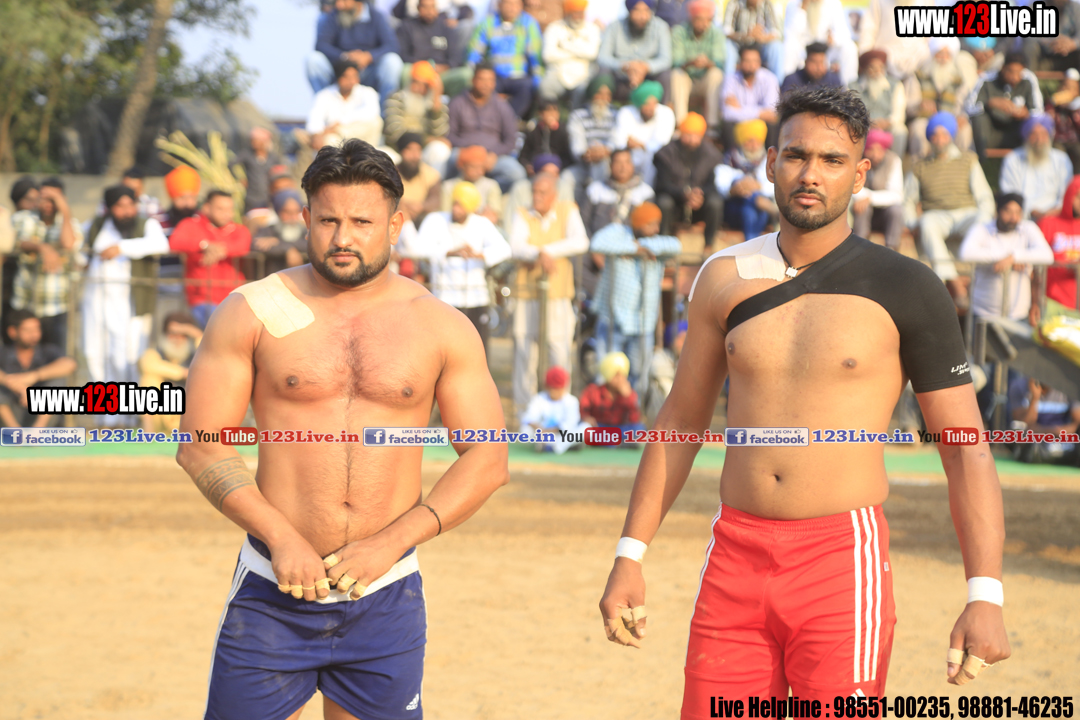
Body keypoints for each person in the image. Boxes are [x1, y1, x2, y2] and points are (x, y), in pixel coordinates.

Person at [599, 86, 1010, 703]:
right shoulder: (722, 276)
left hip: (841, 563)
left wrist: (986, 593)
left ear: (860, 174)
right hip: (733, 554)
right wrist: (630, 553)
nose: (810, 174)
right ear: (770, 162)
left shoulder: (907, 285)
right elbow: (680, 421)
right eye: (795, 155)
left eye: (832, 160)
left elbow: (964, 446)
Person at [176, 138, 509, 720]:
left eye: (361, 222)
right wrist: (281, 538)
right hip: (272, 592)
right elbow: (201, 445)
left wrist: (390, 543)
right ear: (306, 219)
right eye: (328, 220)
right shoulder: (252, 309)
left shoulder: (441, 326)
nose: (342, 238)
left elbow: (488, 459)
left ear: (395, 225)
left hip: (385, 593)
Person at [509, 172, 589, 410]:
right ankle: (525, 413)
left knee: (559, 352)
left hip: (558, 294)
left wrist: (545, 252)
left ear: (554, 195)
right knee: (525, 353)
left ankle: (562, 409)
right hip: (526, 294)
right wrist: (538, 253)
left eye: (542, 193)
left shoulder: (567, 210)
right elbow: (515, 246)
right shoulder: (523, 213)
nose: (537, 197)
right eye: (534, 192)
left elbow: (580, 241)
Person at [81, 186, 170, 385]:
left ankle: (127, 403)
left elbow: (162, 245)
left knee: (126, 354)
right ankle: (103, 404)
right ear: (109, 208)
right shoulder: (97, 225)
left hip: (129, 300)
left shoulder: (146, 224)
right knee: (94, 351)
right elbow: (79, 250)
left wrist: (121, 248)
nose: (127, 211)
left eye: (131, 205)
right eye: (120, 206)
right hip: (96, 299)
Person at [904, 111, 995, 305]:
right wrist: (912, 223)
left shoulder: (968, 159)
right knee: (926, 223)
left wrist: (986, 217)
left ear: (951, 136)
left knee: (984, 220)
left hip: (966, 214)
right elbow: (908, 200)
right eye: (935, 135)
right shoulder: (920, 166)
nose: (939, 140)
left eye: (943, 135)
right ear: (930, 138)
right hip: (937, 215)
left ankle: (979, 281)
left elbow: (984, 196)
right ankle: (954, 283)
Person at [590, 201, 681, 393]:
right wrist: (632, 249)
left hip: (643, 322)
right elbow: (597, 243)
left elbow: (676, 245)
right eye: (650, 224)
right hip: (613, 319)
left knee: (639, 378)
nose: (656, 229)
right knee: (607, 375)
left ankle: (634, 411)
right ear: (638, 223)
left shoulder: (656, 242)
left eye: (657, 224)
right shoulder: (618, 232)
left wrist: (640, 247)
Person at [414, 181, 512, 352]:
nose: (456, 209)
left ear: (472, 208)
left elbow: (505, 249)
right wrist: (450, 252)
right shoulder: (435, 220)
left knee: (476, 350)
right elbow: (418, 248)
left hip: (475, 297)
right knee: (445, 350)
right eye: (455, 204)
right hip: (444, 297)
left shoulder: (481, 223)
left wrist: (479, 255)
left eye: (461, 206)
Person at [9, 177, 81, 351]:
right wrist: (42, 247)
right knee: (23, 355)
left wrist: (65, 210)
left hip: (56, 304)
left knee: (56, 354)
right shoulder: (23, 218)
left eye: (53, 199)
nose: (48, 204)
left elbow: (68, 244)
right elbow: (16, 242)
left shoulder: (70, 223)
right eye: (44, 198)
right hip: (25, 302)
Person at [958, 193, 1054, 322]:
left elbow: (1047, 255)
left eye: (1018, 212)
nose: (1013, 217)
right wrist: (1006, 258)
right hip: (983, 313)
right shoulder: (982, 229)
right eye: (1008, 211)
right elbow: (966, 253)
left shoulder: (1028, 228)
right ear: (998, 211)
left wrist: (1014, 257)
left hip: (1018, 314)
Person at [169, 190, 253, 328]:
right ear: (206, 207)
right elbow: (175, 242)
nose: (226, 213)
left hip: (234, 297)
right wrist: (203, 245)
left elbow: (243, 246)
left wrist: (218, 249)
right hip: (202, 298)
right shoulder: (191, 224)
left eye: (229, 209)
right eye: (220, 209)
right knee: (220, 329)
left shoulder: (239, 230)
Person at [447, 62, 528, 192]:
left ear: (494, 83)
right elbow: (450, 135)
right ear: (473, 80)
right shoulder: (458, 103)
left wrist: (494, 154)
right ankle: (453, 192)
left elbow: (510, 140)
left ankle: (487, 192)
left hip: (492, 156)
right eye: (482, 79)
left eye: (490, 80)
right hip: (465, 153)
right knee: (450, 159)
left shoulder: (502, 106)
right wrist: (470, 150)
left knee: (517, 174)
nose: (486, 84)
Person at [309, 0, 404, 108]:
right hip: (340, 70)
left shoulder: (377, 16)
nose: (339, 5)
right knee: (314, 60)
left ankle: (386, 112)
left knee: (392, 61)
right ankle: (324, 110)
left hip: (368, 70)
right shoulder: (331, 16)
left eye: (344, 1)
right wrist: (344, 56)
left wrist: (369, 56)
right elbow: (321, 45)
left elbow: (392, 45)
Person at [653, 113, 724, 248]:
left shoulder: (711, 154)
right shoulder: (666, 153)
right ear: (680, 134)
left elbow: (712, 185)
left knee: (715, 202)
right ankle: (663, 245)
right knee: (664, 202)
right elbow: (662, 184)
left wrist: (698, 194)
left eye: (696, 136)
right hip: (676, 202)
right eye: (688, 135)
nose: (692, 140)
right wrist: (683, 194)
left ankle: (709, 245)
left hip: (699, 203)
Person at [466, 0, 544, 118]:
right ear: (499, 5)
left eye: (516, 4)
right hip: (494, 76)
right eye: (508, 4)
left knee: (527, 89)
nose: (512, 8)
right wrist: (473, 74)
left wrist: (538, 78)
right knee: (483, 88)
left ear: (521, 6)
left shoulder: (528, 23)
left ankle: (510, 121)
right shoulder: (488, 23)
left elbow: (535, 55)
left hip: (519, 76)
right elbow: (474, 52)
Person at [0, 310, 76, 429]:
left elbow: (70, 364)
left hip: (42, 416)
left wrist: (33, 376)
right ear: (12, 332)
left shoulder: (48, 351)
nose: (34, 335)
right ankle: (14, 431)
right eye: (27, 330)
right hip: (10, 415)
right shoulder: (4, 353)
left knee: (58, 381)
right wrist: (13, 384)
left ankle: (38, 430)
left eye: (36, 329)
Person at [910, 37, 977, 158]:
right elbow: (909, 105)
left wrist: (961, 116)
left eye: (947, 54)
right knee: (918, 128)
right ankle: (920, 166)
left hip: (951, 119)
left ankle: (962, 166)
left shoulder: (958, 79)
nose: (943, 58)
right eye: (939, 54)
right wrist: (919, 105)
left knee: (965, 130)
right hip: (926, 119)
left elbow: (963, 104)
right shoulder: (919, 75)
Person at [384, 61, 454, 178]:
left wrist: (436, 108)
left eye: (424, 85)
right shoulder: (396, 98)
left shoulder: (435, 104)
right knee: (384, 155)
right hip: (397, 150)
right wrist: (427, 139)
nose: (418, 88)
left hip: (422, 153)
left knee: (440, 149)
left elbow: (440, 134)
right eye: (415, 82)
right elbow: (394, 132)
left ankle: (433, 186)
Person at [999, 115, 1074, 222]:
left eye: (1043, 134)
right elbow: (1010, 195)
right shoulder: (1012, 159)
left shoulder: (1061, 160)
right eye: (1034, 134)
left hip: (1056, 218)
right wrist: (1031, 211)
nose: (1039, 140)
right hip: (1021, 218)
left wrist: (1052, 213)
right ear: (1026, 136)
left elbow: (1067, 194)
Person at [137, 311, 202, 434]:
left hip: (184, 416)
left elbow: (211, 354)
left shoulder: (196, 355)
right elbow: (147, 365)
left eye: (183, 335)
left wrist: (195, 333)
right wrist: (183, 373)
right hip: (161, 413)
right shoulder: (156, 353)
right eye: (173, 334)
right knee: (149, 379)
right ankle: (148, 430)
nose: (177, 339)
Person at [598, 0, 673, 104]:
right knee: (603, 72)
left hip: (648, 79)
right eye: (637, 11)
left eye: (646, 11)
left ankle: (662, 110)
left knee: (665, 74)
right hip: (622, 78)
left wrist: (645, 67)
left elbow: (666, 59)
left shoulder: (660, 27)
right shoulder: (614, 27)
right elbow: (603, 57)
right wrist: (625, 66)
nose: (642, 16)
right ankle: (603, 111)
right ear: (629, 11)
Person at [714, 118, 777, 241]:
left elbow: (774, 186)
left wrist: (758, 186)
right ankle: (763, 204)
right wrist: (735, 189)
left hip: (755, 209)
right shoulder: (730, 159)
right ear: (742, 142)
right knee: (748, 194)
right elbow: (721, 185)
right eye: (749, 141)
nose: (754, 146)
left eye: (757, 142)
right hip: (734, 208)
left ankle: (750, 241)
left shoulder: (767, 160)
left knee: (749, 209)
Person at [397, 0, 472, 98]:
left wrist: (443, 67)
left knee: (466, 74)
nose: (429, 11)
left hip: (441, 73)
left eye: (432, 7)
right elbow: (404, 55)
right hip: (418, 72)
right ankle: (407, 103)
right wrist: (424, 68)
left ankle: (453, 105)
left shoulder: (446, 27)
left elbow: (456, 58)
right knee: (405, 71)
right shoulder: (407, 27)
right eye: (425, 7)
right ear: (418, 8)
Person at [969, 53, 1038, 158]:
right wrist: (990, 103)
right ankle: (981, 160)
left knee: (1034, 123)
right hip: (991, 132)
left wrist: (1026, 113)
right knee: (979, 118)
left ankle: (1030, 161)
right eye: (1010, 71)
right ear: (1003, 68)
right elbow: (969, 108)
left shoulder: (1028, 79)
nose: (1014, 77)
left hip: (1016, 132)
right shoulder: (986, 79)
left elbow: (1038, 112)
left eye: (1018, 73)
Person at [306, 59, 385, 151]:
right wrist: (317, 134)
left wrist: (339, 126)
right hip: (336, 139)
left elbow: (372, 112)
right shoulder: (324, 95)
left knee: (376, 121)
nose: (352, 81)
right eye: (347, 77)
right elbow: (314, 119)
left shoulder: (368, 92)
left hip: (362, 140)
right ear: (339, 78)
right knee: (329, 141)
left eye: (354, 76)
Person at [670, 0, 725, 128]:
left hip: (705, 79)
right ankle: (682, 125)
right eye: (699, 19)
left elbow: (720, 62)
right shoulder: (679, 32)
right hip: (687, 78)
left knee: (716, 74)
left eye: (708, 20)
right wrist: (691, 62)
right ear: (692, 18)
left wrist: (707, 63)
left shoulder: (717, 33)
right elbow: (676, 62)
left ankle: (712, 126)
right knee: (676, 74)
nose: (703, 24)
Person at [612, 80, 676, 186]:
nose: (651, 108)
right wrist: (643, 146)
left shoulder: (666, 113)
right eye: (647, 104)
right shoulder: (626, 112)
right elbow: (620, 141)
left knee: (651, 159)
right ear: (639, 104)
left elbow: (661, 144)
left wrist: (641, 145)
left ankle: (648, 192)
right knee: (620, 159)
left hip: (654, 158)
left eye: (654, 103)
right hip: (629, 156)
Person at [539, 0, 602, 107]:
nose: (578, 17)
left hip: (583, 77)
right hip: (558, 74)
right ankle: (551, 115)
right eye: (575, 13)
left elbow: (592, 53)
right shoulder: (554, 28)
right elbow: (548, 55)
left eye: (581, 13)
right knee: (545, 86)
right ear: (568, 13)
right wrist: (579, 52)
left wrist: (565, 46)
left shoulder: (592, 29)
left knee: (583, 90)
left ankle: (576, 116)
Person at [581, 148, 656, 237]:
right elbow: (583, 221)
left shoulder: (645, 192)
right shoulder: (595, 190)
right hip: (598, 242)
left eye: (627, 162)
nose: (623, 167)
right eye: (618, 162)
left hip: (633, 243)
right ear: (610, 165)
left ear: (633, 165)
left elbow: (649, 226)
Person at [851, 129, 903, 251]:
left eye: (879, 150)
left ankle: (892, 249)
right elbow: (851, 187)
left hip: (884, 212)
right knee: (862, 207)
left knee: (896, 210)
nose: (875, 155)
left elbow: (896, 195)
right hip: (863, 210)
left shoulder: (893, 160)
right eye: (871, 149)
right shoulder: (857, 159)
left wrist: (869, 198)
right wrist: (864, 199)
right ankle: (858, 248)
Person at [848, 50, 907, 158]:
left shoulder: (895, 85)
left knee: (900, 131)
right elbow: (851, 113)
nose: (877, 71)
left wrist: (886, 122)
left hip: (887, 125)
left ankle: (896, 163)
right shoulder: (852, 86)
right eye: (872, 68)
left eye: (880, 67)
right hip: (864, 126)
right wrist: (868, 123)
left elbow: (898, 114)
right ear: (865, 69)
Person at [781, 0, 858, 84]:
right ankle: (787, 84)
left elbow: (844, 34)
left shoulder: (834, 3)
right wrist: (802, 8)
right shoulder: (793, 4)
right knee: (788, 47)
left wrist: (834, 39)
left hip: (825, 49)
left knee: (850, 47)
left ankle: (848, 86)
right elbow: (791, 34)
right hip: (803, 51)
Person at [720, 45, 780, 152]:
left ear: (760, 62)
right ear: (740, 62)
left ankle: (771, 158)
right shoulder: (730, 79)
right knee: (727, 125)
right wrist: (760, 113)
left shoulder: (770, 79)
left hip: (761, 125)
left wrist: (740, 108)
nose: (751, 65)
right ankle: (731, 158)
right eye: (747, 61)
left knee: (772, 125)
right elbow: (727, 113)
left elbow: (772, 113)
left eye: (755, 61)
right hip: (740, 124)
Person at [519, 365, 591, 453]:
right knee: (525, 430)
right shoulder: (539, 399)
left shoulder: (571, 401)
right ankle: (565, 446)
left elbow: (569, 425)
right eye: (553, 388)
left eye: (558, 388)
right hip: (542, 434)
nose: (555, 392)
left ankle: (552, 447)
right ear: (547, 386)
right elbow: (528, 418)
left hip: (561, 435)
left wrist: (547, 431)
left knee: (586, 428)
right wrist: (539, 430)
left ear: (564, 387)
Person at [1037, 175, 1080, 319]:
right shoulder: (1048, 223)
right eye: (1078, 197)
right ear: (1069, 196)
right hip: (1052, 303)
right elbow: (1035, 266)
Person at [567, 75, 618, 187]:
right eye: (599, 93)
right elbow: (577, 145)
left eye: (607, 94)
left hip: (611, 163)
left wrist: (605, 151)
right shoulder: (578, 116)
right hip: (585, 163)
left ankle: (596, 195)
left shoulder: (616, 114)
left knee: (600, 162)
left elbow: (616, 140)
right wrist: (587, 154)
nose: (603, 98)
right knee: (566, 178)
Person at [579, 351, 644, 433]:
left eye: (623, 374)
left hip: (620, 430)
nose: (620, 378)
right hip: (600, 428)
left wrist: (628, 398)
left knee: (639, 428)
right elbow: (583, 411)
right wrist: (586, 418)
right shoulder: (593, 391)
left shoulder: (630, 394)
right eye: (616, 375)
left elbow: (634, 419)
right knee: (585, 428)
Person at [440, 145, 505, 225]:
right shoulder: (448, 187)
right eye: (474, 167)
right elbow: (446, 215)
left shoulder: (491, 185)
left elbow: (494, 216)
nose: (479, 171)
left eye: (482, 167)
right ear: (463, 166)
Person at [722, 0, 783, 83]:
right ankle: (729, 84)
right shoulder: (734, 3)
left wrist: (762, 37)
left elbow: (776, 32)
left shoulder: (767, 4)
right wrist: (746, 36)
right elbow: (726, 31)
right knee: (728, 46)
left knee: (776, 46)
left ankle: (778, 84)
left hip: (760, 47)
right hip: (739, 46)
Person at [253, 190, 309, 276]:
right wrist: (287, 249)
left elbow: (310, 244)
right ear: (278, 212)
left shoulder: (305, 231)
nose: (292, 217)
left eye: (296, 211)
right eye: (287, 212)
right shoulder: (268, 230)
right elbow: (256, 244)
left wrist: (279, 243)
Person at [397, 133, 444, 229]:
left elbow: (435, 200)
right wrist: (404, 206)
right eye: (410, 150)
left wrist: (421, 206)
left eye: (418, 150)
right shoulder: (390, 173)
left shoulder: (431, 174)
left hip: (422, 221)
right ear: (401, 152)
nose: (415, 155)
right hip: (397, 219)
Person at [518, 99, 575, 175]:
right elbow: (523, 156)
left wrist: (559, 168)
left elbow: (568, 156)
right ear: (540, 113)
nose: (553, 115)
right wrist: (527, 166)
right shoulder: (533, 131)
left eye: (555, 111)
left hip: (557, 168)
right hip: (536, 166)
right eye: (549, 111)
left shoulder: (563, 131)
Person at [1021, 0, 1080, 73]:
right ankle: (1031, 77)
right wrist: (1052, 42)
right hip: (1045, 57)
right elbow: (1028, 36)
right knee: (1030, 47)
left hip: (1070, 55)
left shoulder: (1076, 8)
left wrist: (1072, 43)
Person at [239, 127, 284, 218]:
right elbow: (231, 165)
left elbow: (280, 172)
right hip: (251, 196)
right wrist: (239, 178)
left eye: (256, 140)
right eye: (252, 140)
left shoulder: (273, 157)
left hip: (268, 197)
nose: (253, 143)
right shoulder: (246, 155)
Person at [157, 165, 203, 236]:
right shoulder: (159, 222)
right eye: (182, 198)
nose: (187, 203)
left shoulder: (203, 222)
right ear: (172, 197)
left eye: (191, 197)